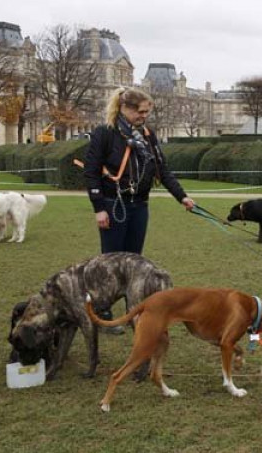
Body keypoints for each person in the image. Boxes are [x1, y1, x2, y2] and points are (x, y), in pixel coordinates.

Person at [83, 87, 195, 331]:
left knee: (134, 263)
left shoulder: (147, 135)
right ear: (124, 108)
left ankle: (132, 313)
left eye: (147, 112)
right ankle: (103, 315)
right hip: (114, 205)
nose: (143, 116)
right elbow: (91, 172)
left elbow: (162, 170)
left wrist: (182, 197)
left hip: (139, 206)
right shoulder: (105, 134)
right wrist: (99, 208)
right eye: (140, 112)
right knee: (110, 265)